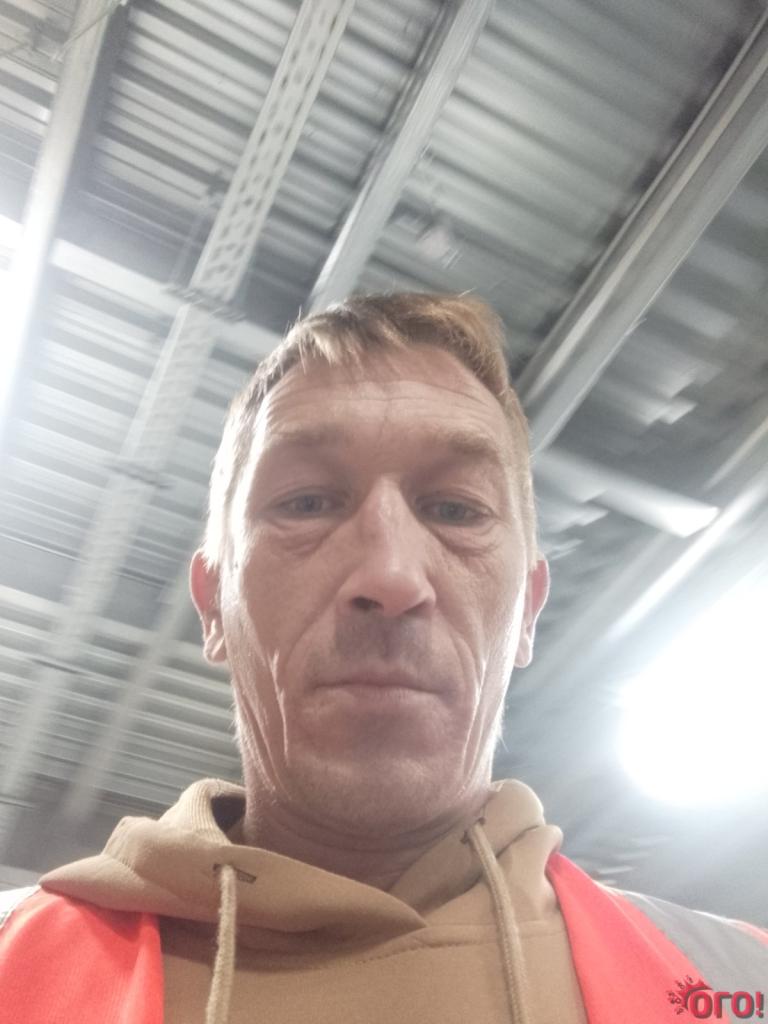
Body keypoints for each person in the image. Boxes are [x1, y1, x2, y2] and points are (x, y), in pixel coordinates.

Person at [1, 293, 766, 1024]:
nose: (391, 577)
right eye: (306, 503)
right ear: (213, 606)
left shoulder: (743, 982)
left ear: (527, 613)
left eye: (456, 509)